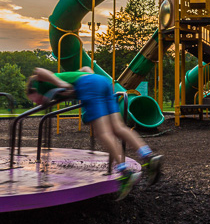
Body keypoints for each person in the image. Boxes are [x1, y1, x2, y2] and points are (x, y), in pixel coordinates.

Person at [26, 67, 163, 200]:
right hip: (102, 82)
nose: (35, 102)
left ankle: (125, 172)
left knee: (104, 133)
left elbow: (39, 70)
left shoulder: (39, 83)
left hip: (89, 86)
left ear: (33, 90)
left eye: (32, 99)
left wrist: (61, 84)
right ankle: (148, 156)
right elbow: (86, 68)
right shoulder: (67, 78)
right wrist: (85, 81)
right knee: (119, 127)